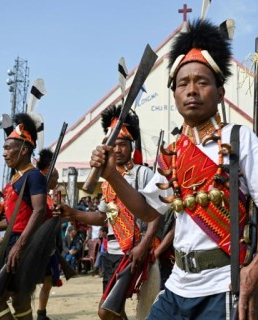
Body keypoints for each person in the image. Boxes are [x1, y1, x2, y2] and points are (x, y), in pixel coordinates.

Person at [88, 19, 258, 320]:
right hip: (178, 285)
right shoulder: (171, 153)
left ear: (220, 93)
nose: (191, 90)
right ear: (175, 95)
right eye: (183, 83)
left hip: (224, 285)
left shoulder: (238, 138)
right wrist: (112, 175)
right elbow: (148, 210)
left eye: (202, 82)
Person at [59, 104, 161, 320]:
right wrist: (73, 213)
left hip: (133, 251)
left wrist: (144, 244)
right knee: (116, 311)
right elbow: (101, 217)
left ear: (131, 147)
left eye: (122, 144)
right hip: (111, 252)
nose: (117, 149)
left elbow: (156, 213)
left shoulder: (143, 174)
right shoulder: (106, 181)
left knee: (105, 311)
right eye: (113, 145)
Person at [0, 113, 48, 320]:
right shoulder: (17, 177)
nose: (4, 153)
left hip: (23, 245)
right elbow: (13, 220)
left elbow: (39, 211)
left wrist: (19, 245)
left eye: (8, 148)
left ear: (23, 150)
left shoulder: (33, 176)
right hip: (13, 242)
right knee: (20, 300)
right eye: (3, 149)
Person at [35, 148, 62, 320]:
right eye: (56, 177)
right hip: (36, 245)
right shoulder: (37, 196)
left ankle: (41, 314)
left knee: (47, 281)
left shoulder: (50, 197)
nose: (57, 181)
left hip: (49, 246)